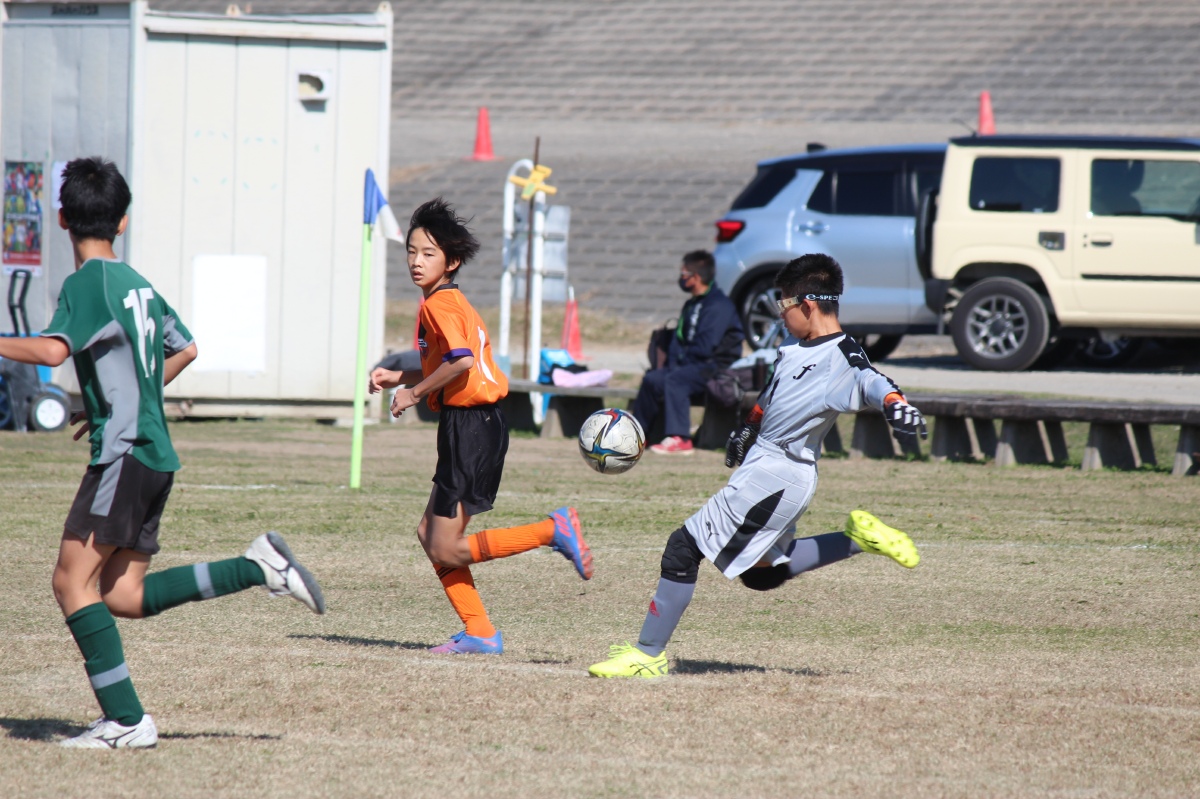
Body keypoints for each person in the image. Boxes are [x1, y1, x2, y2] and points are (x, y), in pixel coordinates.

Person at [0, 157, 326, 749]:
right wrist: (119, 400)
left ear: (61, 218)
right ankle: (257, 567)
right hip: (153, 455)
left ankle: (126, 721)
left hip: (123, 456)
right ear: (122, 221)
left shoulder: (87, 283)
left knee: (71, 583)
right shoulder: (138, 286)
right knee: (123, 595)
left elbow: (52, 352)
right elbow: (186, 348)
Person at [588, 253, 928, 679]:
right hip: (766, 464)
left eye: (783, 305)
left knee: (683, 547)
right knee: (760, 574)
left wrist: (896, 404)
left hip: (779, 475)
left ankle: (648, 654)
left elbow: (872, 379)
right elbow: (770, 395)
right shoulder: (793, 347)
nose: (780, 315)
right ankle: (858, 539)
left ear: (808, 304)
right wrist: (748, 429)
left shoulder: (841, 355)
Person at [368, 198, 593, 655]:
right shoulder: (448, 301)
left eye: (428, 253)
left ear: (450, 262)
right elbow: (450, 362)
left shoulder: (439, 306)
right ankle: (480, 632)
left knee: (445, 547)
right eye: (411, 251)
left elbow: (462, 362)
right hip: (472, 425)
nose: (416, 261)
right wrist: (400, 376)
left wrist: (413, 394)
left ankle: (551, 531)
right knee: (429, 534)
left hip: (471, 428)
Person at [633, 250, 744, 455]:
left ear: (697, 277)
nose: (681, 278)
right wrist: (673, 364)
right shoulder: (692, 304)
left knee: (676, 379)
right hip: (691, 366)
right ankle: (637, 435)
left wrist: (680, 367)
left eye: (684, 274)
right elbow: (680, 340)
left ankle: (680, 439)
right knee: (652, 379)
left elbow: (706, 346)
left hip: (715, 368)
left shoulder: (719, 305)